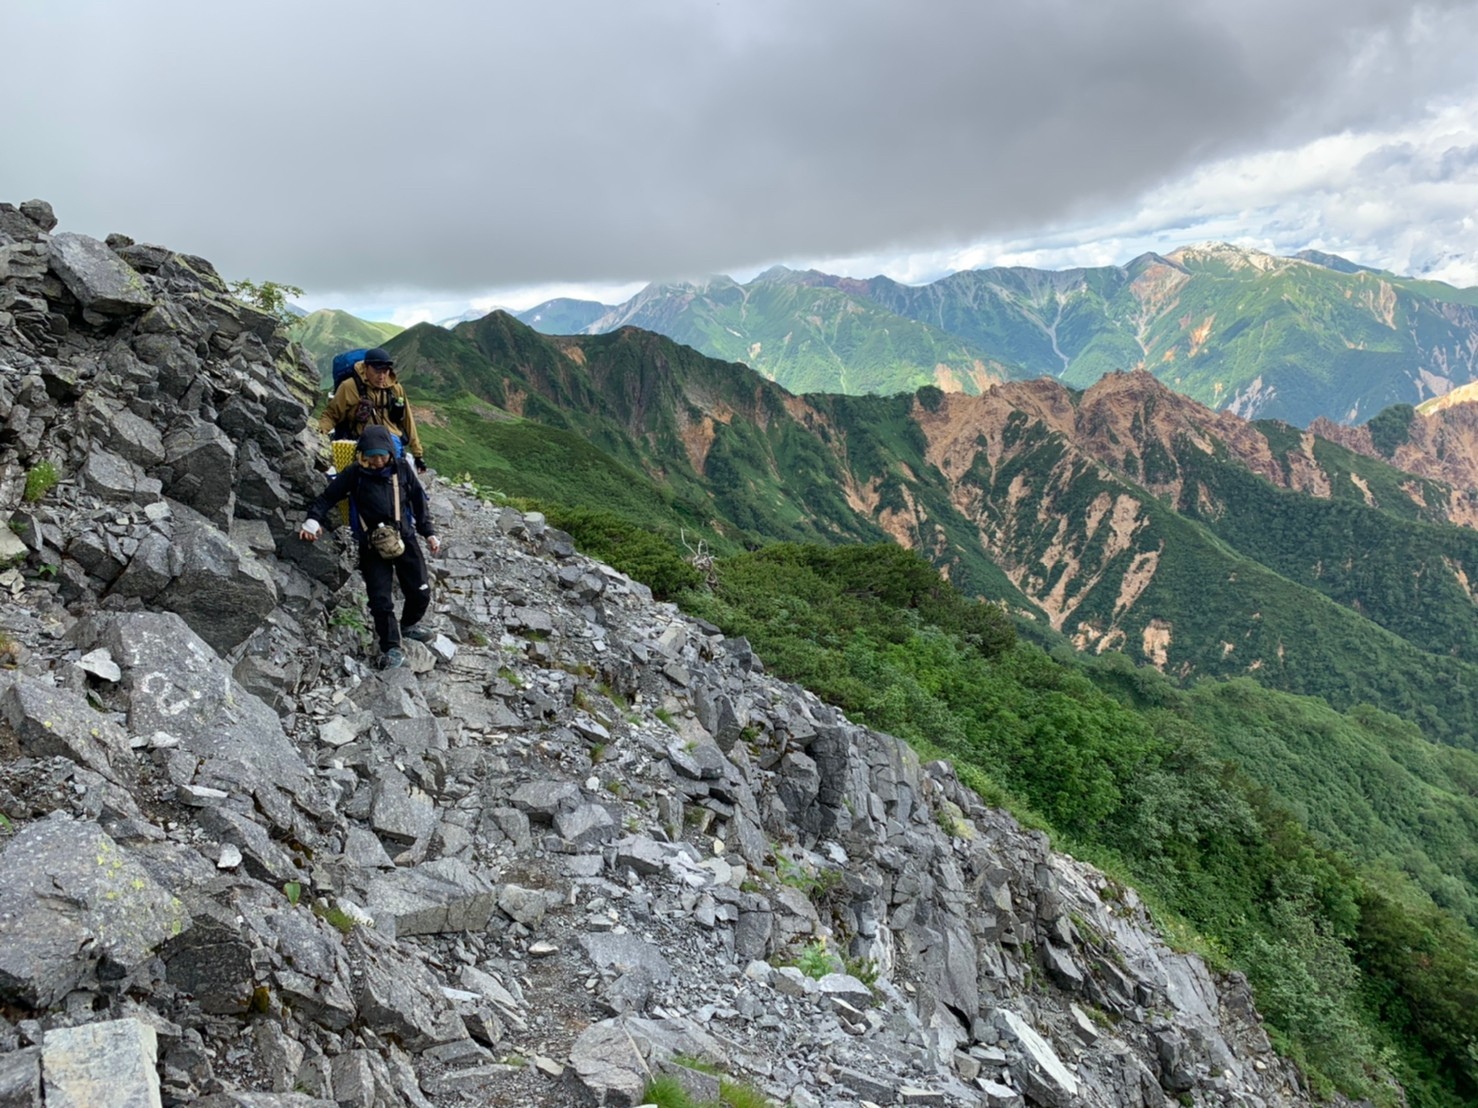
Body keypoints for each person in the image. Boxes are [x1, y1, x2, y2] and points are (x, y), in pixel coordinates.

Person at [298, 425, 442, 669]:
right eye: (371, 455)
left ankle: (408, 625)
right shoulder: (354, 473)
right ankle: (391, 647)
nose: (377, 461)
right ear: (362, 453)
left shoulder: (403, 470)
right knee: (380, 600)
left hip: (404, 537)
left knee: (420, 591)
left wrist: (429, 533)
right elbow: (328, 497)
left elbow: (419, 503)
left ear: (390, 452)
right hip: (371, 544)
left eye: (382, 455)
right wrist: (313, 520)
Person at [318, 347, 428, 472]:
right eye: (377, 371)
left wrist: (418, 454)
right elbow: (331, 414)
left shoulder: (395, 388)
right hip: (362, 438)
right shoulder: (349, 387)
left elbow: (408, 420)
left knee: (393, 460)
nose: (382, 376)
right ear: (366, 367)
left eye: (385, 371)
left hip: (392, 438)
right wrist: (319, 433)